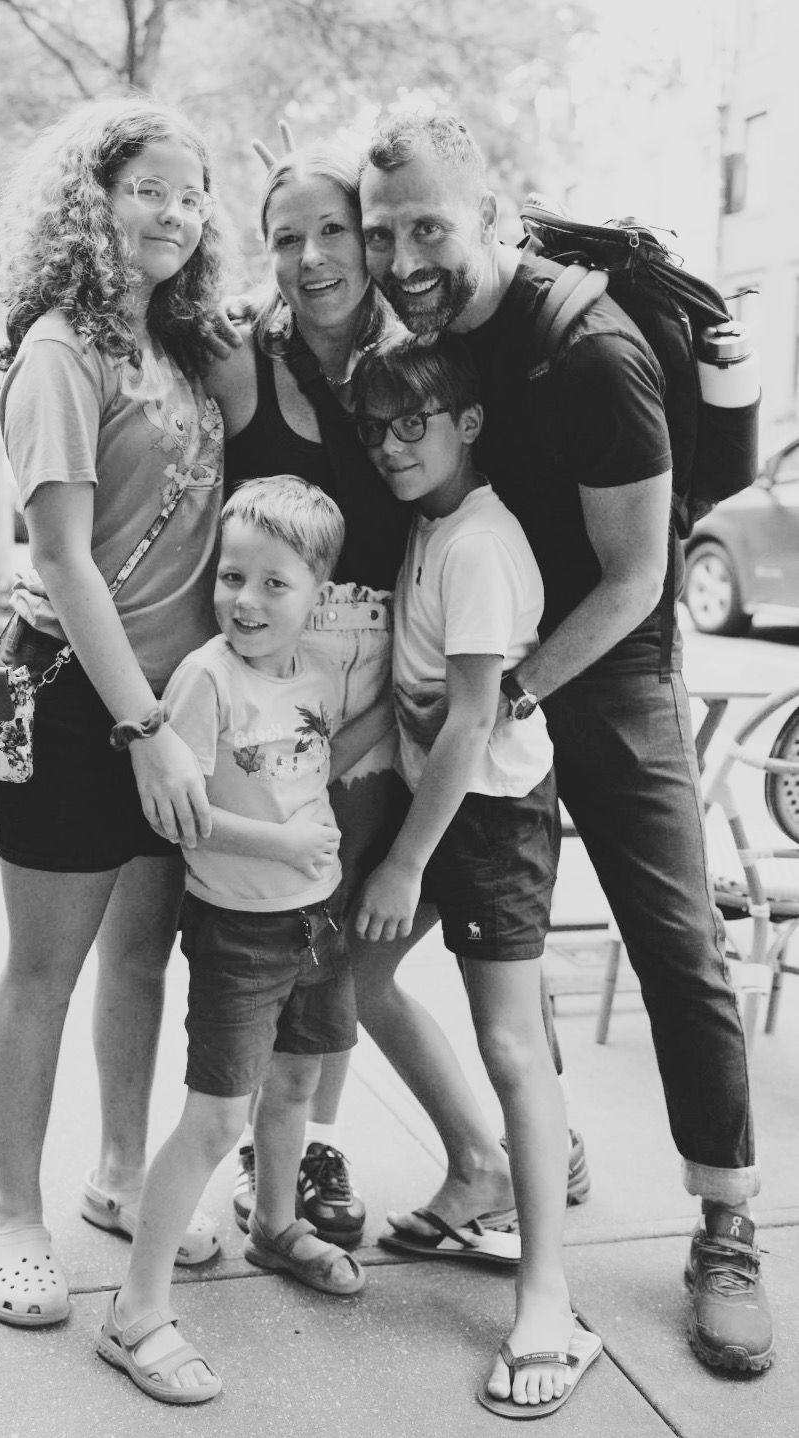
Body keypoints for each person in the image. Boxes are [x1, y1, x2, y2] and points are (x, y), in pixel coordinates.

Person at [357, 106, 773, 1376]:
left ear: (494, 216)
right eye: (384, 233)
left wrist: (509, 693)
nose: (403, 257)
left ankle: (729, 1223)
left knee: (675, 936)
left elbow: (641, 575)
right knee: (500, 914)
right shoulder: (432, 336)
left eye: (428, 226)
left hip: (605, 660)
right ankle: (539, 1152)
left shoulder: (591, 351)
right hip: (497, 662)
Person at [205, 137, 572, 1249]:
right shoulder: (248, 354)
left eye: (338, 232)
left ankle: (514, 1144)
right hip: (302, 681)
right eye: (287, 238)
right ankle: (325, 1156)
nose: (314, 256)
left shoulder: (416, 366)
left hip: (409, 698)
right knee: (311, 941)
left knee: (363, 942)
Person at [0, 96, 226, 1327]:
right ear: (94, 198)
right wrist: (144, 728)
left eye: (193, 193)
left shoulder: (176, 347)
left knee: (139, 957)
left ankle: (123, 1173)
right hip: (88, 708)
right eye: (149, 188)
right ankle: (15, 1216)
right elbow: (64, 557)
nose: (175, 212)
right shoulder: (63, 350)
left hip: (170, 709)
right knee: (47, 967)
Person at [351, 335, 602, 1414]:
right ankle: (475, 1168)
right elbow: (414, 706)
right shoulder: (434, 525)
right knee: (355, 979)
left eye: (416, 422)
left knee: (510, 1041)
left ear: (468, 423)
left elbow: (468, 725)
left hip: (488, 815)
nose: (393, 445)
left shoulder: (480, 544)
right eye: (376, 428)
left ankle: (547, 1297)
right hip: (446, 804)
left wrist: (405, 859)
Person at [98, 478, 380, 1405]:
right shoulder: (204, 678)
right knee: (218, 1117)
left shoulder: (319, 672)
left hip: (319, 918)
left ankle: (275, 1222)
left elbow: (319, 756)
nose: (246, 601)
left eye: (273, 584)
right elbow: (179, 815)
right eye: (232, 578)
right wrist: (285, 844)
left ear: (318, 594)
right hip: (239, 930)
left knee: (298, 1082)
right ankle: (134, 1310)